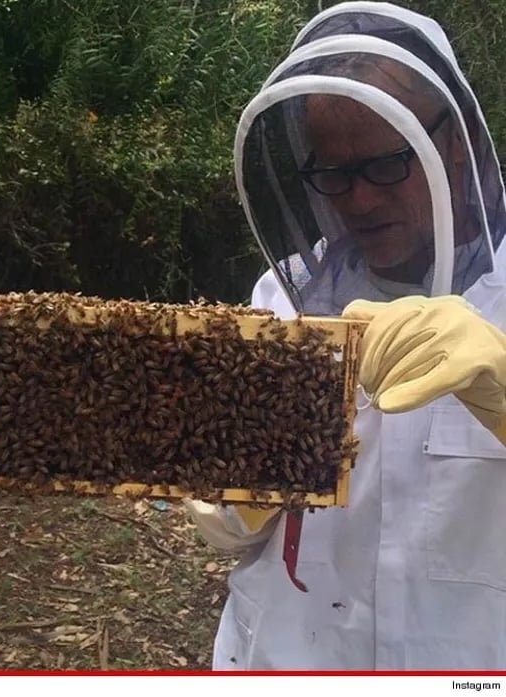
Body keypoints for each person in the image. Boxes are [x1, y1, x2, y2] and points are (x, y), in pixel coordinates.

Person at [186, 2, 506, 669]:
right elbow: (228, 525)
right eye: (333, 174)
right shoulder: (284, 295)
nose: (357, 199)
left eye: (387, 163)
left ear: (458, 144)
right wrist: (237, 492)